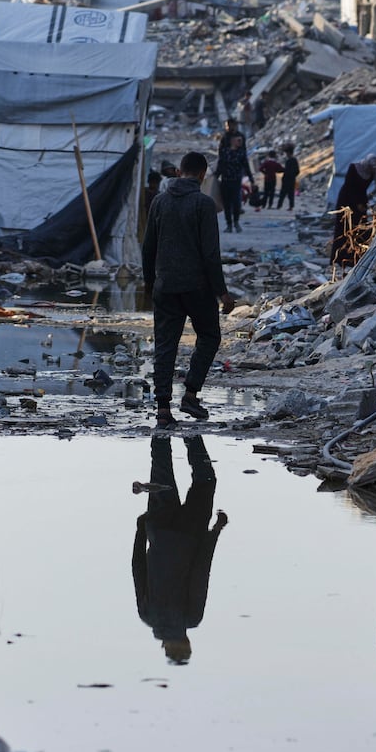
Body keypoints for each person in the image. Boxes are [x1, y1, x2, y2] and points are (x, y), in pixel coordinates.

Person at [142, 151, 236, 427]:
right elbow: (210, 254)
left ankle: (162, 410)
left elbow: (148, 248)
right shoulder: (204, 205)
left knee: (165, 346)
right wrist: (222, 292)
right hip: (198, 288)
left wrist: (150, 285)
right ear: (202, 174)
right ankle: (191, 394)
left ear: (180, 172)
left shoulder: (159, 202)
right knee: (209, 336)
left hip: (166, 287)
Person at [134, 434, 226, 665]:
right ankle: (162, 426)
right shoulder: (147, 616)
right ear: (164, 646)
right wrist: (141, 530)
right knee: (161, 474)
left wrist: (215, 531)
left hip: (189, 533)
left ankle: (192, 436)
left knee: (205, 481)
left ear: (187, 643)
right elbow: (138, 568)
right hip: (158, 530)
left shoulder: (191, 618)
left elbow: (200, 572)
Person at [330, 154, 376, 265]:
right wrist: (357, 204)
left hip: (361, 202)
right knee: (344, 229)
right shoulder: (354, 168)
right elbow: (350, 187)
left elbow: (375, 183)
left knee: (359, 229)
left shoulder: (371, 172)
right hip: (347, 201)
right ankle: (339, 258)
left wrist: (363, 204)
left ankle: (355, 257)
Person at [215, 124, 251, 233]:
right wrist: (215, 177)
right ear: (232, 141)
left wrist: (252, 180)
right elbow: (220, 165)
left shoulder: (241, 153)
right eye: (238, 140)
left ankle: (236, 222)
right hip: (225, 180)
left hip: (236, 181)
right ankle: (229, 225)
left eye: (241, 140)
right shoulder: (224, 152)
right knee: (226, 204)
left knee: (236, 203)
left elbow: (246, 166)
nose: (240, 142)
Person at [279, 143, 300, 211]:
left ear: (288, 153)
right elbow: (297, 171)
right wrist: (293, 176)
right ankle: (290, 206)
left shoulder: (289, 161)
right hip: (291, 179)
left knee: (283, 193)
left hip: (287, 179)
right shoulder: (294, 160)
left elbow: (287, 170)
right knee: (290, 194)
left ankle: (279, 206)